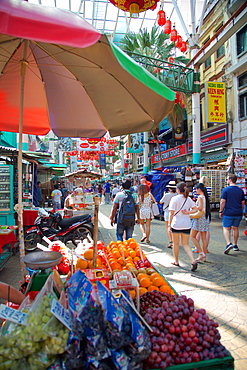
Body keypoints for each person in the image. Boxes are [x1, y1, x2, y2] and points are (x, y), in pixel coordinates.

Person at [168, 182, 198, 271]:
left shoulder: (174, 199)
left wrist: (169, 224)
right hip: (187, 224)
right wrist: (188, 212)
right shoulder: (188, 199)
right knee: (186, 244)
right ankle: (193, 260)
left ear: (177, 190)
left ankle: (176, 261)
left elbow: (171, 213)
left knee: (175, 243)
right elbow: (196, 209)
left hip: (176, 224)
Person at [184, 183, 210, 262]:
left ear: (199, 189)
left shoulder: (200, 197)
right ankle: (204, 255)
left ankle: (201, 252)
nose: (195, 190)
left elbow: (200, 207)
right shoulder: (205, 197)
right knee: (204, 238)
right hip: (205, 217)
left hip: (199, 218)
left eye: (196, 189)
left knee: (192, 236)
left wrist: (192, 208)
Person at [219, 174, 245, 254]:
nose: (227, 180)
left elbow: (223, 201)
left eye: (227, 179)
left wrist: (221, 211)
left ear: (230, 180)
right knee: (235, 228)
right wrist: (242, 210)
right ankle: (235, 245)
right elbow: (243, 202)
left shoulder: (226, 190)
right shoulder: (240, 190)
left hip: (228, 212)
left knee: (226, 228)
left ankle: (228, 243)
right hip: (238, 212)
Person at [192, 176, 212, 253]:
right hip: (206, 212)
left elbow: (199, 206)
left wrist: (190, 210)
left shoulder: (199, 195)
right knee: (205, 233)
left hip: (200, 215)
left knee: (195, 234)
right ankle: (205, 249)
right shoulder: (209, 190)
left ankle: (198, 248)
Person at [160, 180, 177, 248]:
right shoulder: (177, 195)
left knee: (168, 227)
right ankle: (175, 241)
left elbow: (161, 202)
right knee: (174, 227)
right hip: (176, 213)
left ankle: (171, 241)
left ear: (169, 188)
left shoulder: (166, 195)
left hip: (167, 212)